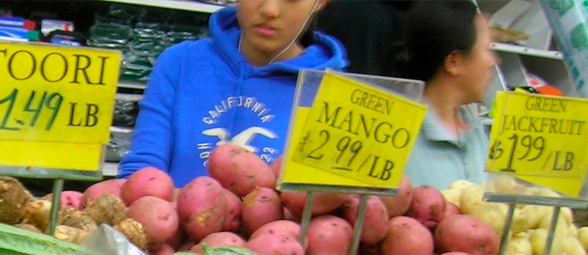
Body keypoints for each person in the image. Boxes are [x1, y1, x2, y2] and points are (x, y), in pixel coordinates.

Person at [118, 0, 348, 187]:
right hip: (172, 239)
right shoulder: (180, 62)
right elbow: (141, 172)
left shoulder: (332, 92)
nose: (270, 9)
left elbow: (319, 202)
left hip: (274, 242)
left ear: (320, 3)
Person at [396, 1, 500, 190]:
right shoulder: (398, 136)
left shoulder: (475, 131)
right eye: (486, 49)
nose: (493, 62)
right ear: (454, 62)